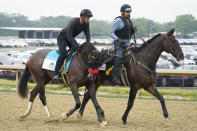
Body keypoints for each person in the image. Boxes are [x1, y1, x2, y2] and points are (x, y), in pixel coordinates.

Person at [53, 9, 93, 79]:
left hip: (70, 38)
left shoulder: (86, 24)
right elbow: (69, 36)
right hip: (62, 38)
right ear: (82, 17)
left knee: (80, 52)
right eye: (87, 18)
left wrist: (88, 45)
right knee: (63, 54)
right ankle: (56, 73)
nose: (88, 20)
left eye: (89, 18)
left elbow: (88, 36)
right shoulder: (73, 22)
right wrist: (77, 47)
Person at [109, 4, 136, 84]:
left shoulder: (129, 20)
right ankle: (114, 76)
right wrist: (118, 39)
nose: (129, 13)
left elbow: (129, 32)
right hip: (119, 44)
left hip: (127, 43)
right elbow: (111, 33)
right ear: (122, 12)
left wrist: (133, 30)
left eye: (129, 12)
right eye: (127, 12)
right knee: (119, 57)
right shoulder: (118, 21)